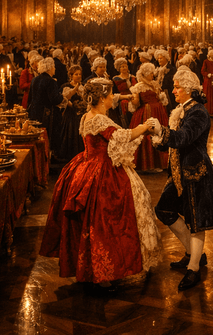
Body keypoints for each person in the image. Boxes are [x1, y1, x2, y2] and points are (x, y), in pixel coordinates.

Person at [39, 78, 161, 289]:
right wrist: (144, 127)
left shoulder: (89, 115)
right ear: (103, 98)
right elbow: (122, 136)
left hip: (88, 165)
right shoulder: (98, 119)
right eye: (111, 94)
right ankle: (104, 269)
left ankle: (92, 268)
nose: (113, 97)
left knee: (94, 221)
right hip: (100, 171)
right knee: (105, 222)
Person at [149, 68, 213, 291]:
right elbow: (176, 141)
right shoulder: (182, 109)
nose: (173, 90)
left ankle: (194, 267)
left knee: (197, 221)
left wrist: (162, 132)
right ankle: (193, 252)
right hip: (179, 173)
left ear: (188, 89)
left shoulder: (198, 112)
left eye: (177, 87)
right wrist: (160, 138)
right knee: (164, 210)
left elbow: (184, 137)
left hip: (196, 173)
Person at [129, 62, 169, 171]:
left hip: (158, 112)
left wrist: (161, 97)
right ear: (145, 73)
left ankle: (161, 162)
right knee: (147, 136)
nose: (153, 75)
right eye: (151, 73)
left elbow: (160, 98)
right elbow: (136, 103)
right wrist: (132, 98)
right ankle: (148, 164)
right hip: (146, 113)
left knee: (160, 134)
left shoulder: (154, 84)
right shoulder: (138, 86)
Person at [57, 65, 86, 163]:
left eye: (80, 74)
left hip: (81, 114)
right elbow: (65, 99)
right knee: (70, 133)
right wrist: (73, 106)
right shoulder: (66, 86)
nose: (78, 76)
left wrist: (82, 105)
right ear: (71, 76)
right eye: (76, 74)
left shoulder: (83, 86)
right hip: (70, 114)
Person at [28, 57, 63, 131]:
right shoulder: (51, 81)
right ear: (50, 68)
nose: (55, 69)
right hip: (46, 115)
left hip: (34, 113)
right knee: (45, 134)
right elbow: (55, 99)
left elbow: (30, 97)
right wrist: (62, 96)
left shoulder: (34, 79)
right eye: (54, 67)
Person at [112, 58, 137, 128]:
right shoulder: (115, 79)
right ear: (119, 68)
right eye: (122, 66)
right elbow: (114, 93)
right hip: (122, 99)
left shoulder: (132, 77)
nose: (124, 68)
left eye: (126, 66)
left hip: (133, 98)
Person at [201, 50, 213, 116]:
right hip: (208, 81)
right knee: (209, 96)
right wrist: (208, 74)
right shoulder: (206, 61)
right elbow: (202, 71)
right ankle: (209, 111)